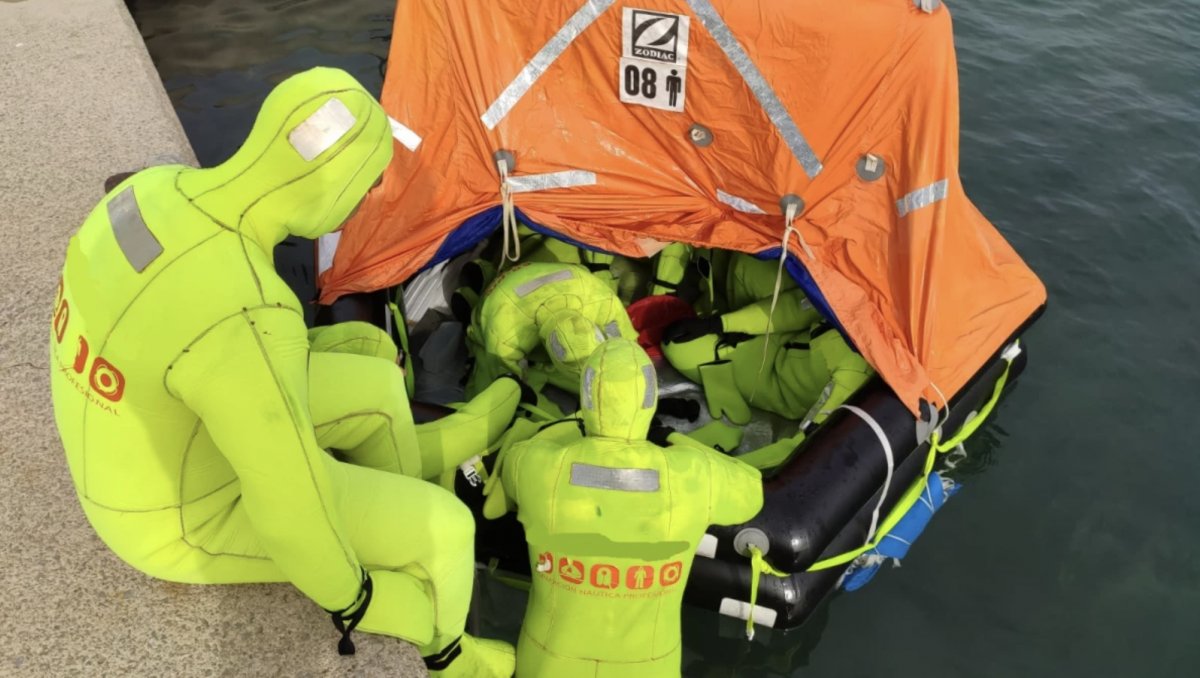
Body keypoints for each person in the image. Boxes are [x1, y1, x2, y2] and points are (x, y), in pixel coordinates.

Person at [49, 67, 513, 676]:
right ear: (337, 185)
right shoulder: (247, 311)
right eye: (368, 186)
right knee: (448, 531)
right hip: (178, 514)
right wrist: (359, 598)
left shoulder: (153, 190)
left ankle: (402, 486)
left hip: (144, 442)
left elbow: (180, 335)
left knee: (374, 382)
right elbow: (288, 508)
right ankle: (449, 653)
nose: (368, 201)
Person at [496, 340, 763, 677]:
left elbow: (520, 452)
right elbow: (752, 489)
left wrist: (575, 432)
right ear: (650, 400)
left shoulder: (536, 466)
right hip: (649, 666)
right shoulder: (692, 474)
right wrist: (673, 441)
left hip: (548, 660)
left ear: (587, 396)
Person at [464, 262, 637, 395]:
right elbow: (506, 380)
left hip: (543, 277)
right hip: (499, 302)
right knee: (487, 384)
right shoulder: (505, 329)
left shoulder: (600, 297)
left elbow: (625, 343)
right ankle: (473, 299)